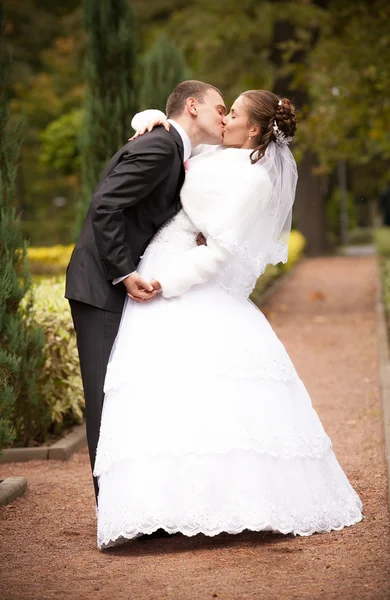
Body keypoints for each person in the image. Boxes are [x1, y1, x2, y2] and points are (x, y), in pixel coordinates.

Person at [94, 90, 363, 550]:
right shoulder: (216, 152)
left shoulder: (255, 181)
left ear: (254, 129)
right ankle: (167, 505)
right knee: (165, 393)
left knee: (207, 393)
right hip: (160, 256)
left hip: (179, 279)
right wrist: (151, 115)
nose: (225, 118)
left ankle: (223, 503)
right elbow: (182, 139)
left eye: (233, 113)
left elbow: (220, 250)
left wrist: (168, 283)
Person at [65, 81, 227, 500]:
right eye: (220, 108)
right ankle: (115, 507)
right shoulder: (159, 147)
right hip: (102, 286)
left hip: (123, 286)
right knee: (106, 397)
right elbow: (105, 205)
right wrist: (122, 272)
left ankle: (140, 501)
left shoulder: (174, 147)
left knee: (129, 392)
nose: (225, 118)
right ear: (192, 106)